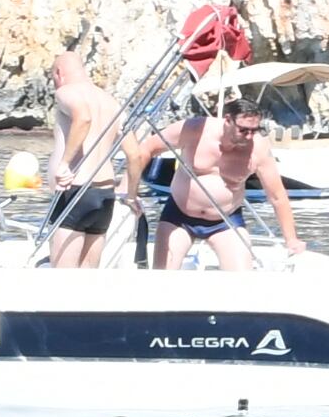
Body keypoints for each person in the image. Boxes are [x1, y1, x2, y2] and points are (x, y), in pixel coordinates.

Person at [130, 89, 308, 271]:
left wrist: (291, 239)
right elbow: (146, 148)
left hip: (225, 221)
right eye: (243, 130)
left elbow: (277, 196)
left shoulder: (258, 148)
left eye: (254, 130)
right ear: (228, 121)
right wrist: (129, 190)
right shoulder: (195, 130)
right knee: (163, 275)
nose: (249, 136)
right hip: (178, 216)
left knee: (241, 278)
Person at [36, 54, 121, 269]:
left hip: (76, 192)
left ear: (58, 73)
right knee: (88, 278)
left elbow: (83, 117)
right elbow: (135, 152)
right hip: (105, 194)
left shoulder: (66, 92)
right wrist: (132, 189)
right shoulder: (110, 101)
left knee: (64, 280)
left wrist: (64, 164)